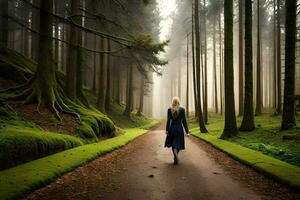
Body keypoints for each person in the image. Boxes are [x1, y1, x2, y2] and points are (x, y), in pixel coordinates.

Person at [165, 97, 190, 165]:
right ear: (178, 102)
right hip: (179, 128)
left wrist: (167, 130)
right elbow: (184, 121)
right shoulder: (182, 110)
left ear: (173, 102)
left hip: (172, 128)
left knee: (173, 144)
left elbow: (168, 121)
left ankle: (175, 156)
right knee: (178, 143)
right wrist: (187, 131)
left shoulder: (169, 110)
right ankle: (176, 156)